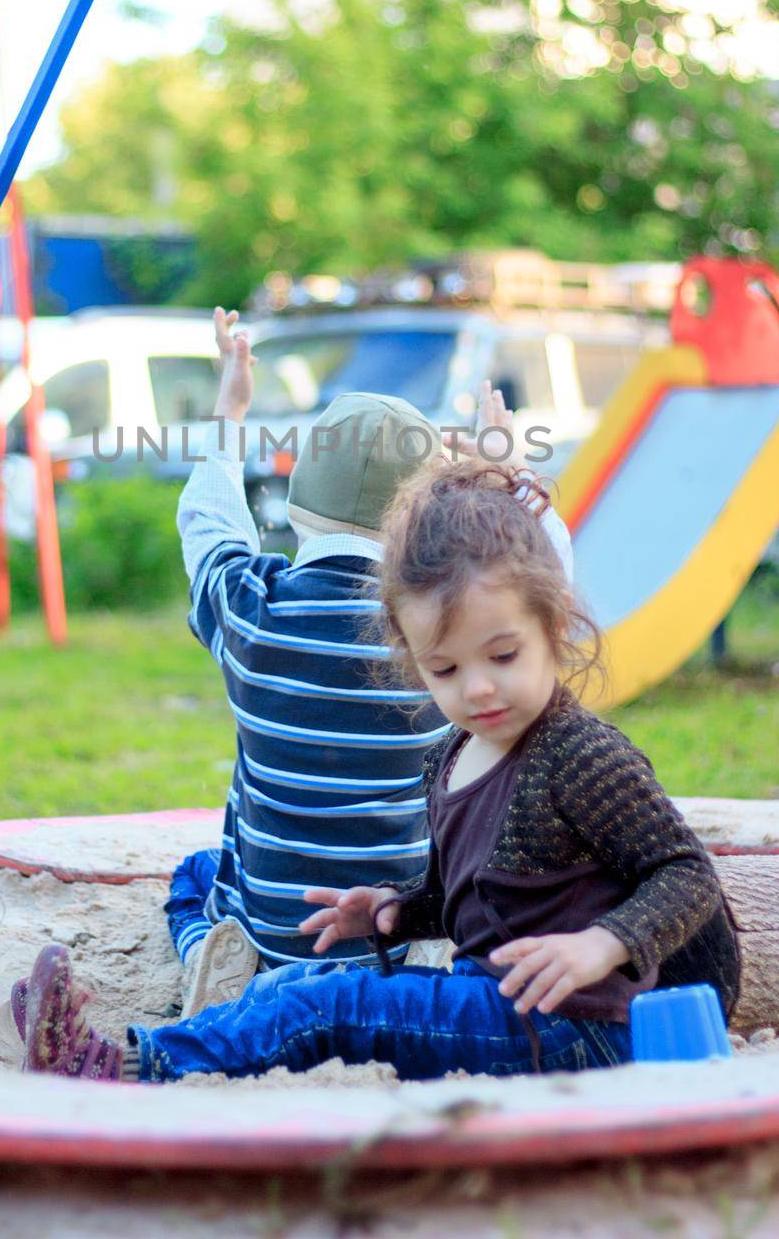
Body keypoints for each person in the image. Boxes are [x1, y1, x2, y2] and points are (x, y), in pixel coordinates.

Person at [16, 454, 740, 1084]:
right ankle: (130, 1054)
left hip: (575, 1032)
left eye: (503, 656)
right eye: (444, 668)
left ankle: (130, 1068)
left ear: (553, 628)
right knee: (305, 984)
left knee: (322, 1007)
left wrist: (600, 946)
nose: (476, 688)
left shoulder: (580, 754)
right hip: (496, 1002)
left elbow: (685, 874)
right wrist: (396, 909)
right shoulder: (454, 753)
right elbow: (478, 897)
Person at [159, 306, 574, 1015]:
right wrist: (505, 472)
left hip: (279, 930)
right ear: (418, 524)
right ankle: (405, 963)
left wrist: (230, 409)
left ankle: (215, 953)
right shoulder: (446, 635)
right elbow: (546, 570)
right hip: (400, 924)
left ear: (294, 504)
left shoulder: (249, 607)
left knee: (194, 877)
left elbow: (208, 518)